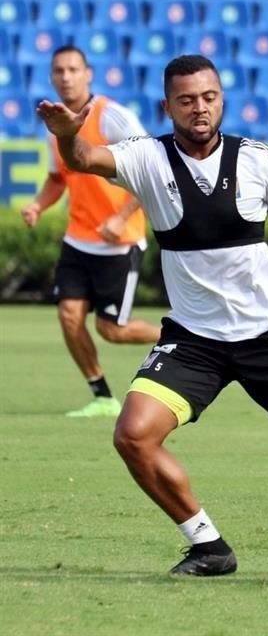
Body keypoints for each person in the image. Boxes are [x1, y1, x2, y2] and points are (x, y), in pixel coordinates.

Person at [35, 55, 268, 577]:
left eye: (209, 97)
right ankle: (208, 546)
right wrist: (65, 136)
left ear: (222, 100)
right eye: (187, 100)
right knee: (132, 435)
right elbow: (83, 158)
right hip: (194, 340)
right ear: (167, 106)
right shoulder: (147, 157)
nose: (199, 108)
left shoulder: (258, 160)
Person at [21, 45, 160, 418]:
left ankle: (179, 338)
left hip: (119, 242)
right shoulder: (55, 123)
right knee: (68, 314)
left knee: (111, 330)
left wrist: (121, 216)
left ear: (88, 74)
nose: (66, 76)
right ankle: (102, 395)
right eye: (59, 70)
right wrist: (38, 204)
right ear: (52, 77)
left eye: (73, 69)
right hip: (78, 239)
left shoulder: (112, 116)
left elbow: (153, 169)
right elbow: (57, 178)